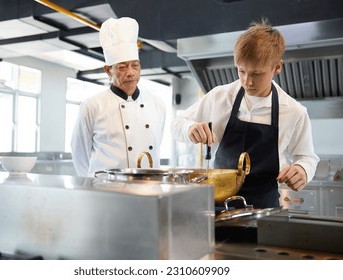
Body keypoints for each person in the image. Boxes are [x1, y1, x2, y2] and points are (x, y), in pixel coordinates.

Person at [171, 19, 319, 208]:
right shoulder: (220, 96)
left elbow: (307, 156)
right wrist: (189, 128)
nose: (247, 81)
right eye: (241, 71)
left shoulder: (294, 111)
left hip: (264, 208)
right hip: (219, 204)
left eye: (257, 74)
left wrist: (302, 169)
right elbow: (176, 124)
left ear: (277, 67)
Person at [71, 17, 166, 177]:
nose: (131, 72)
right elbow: (79, 154)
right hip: (106, 190)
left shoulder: (157, 103)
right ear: (108, 70)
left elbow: (156, 148)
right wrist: (93, 184)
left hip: (148, 187)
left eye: (135, 65)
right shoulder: (93, 105)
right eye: (122, 67)